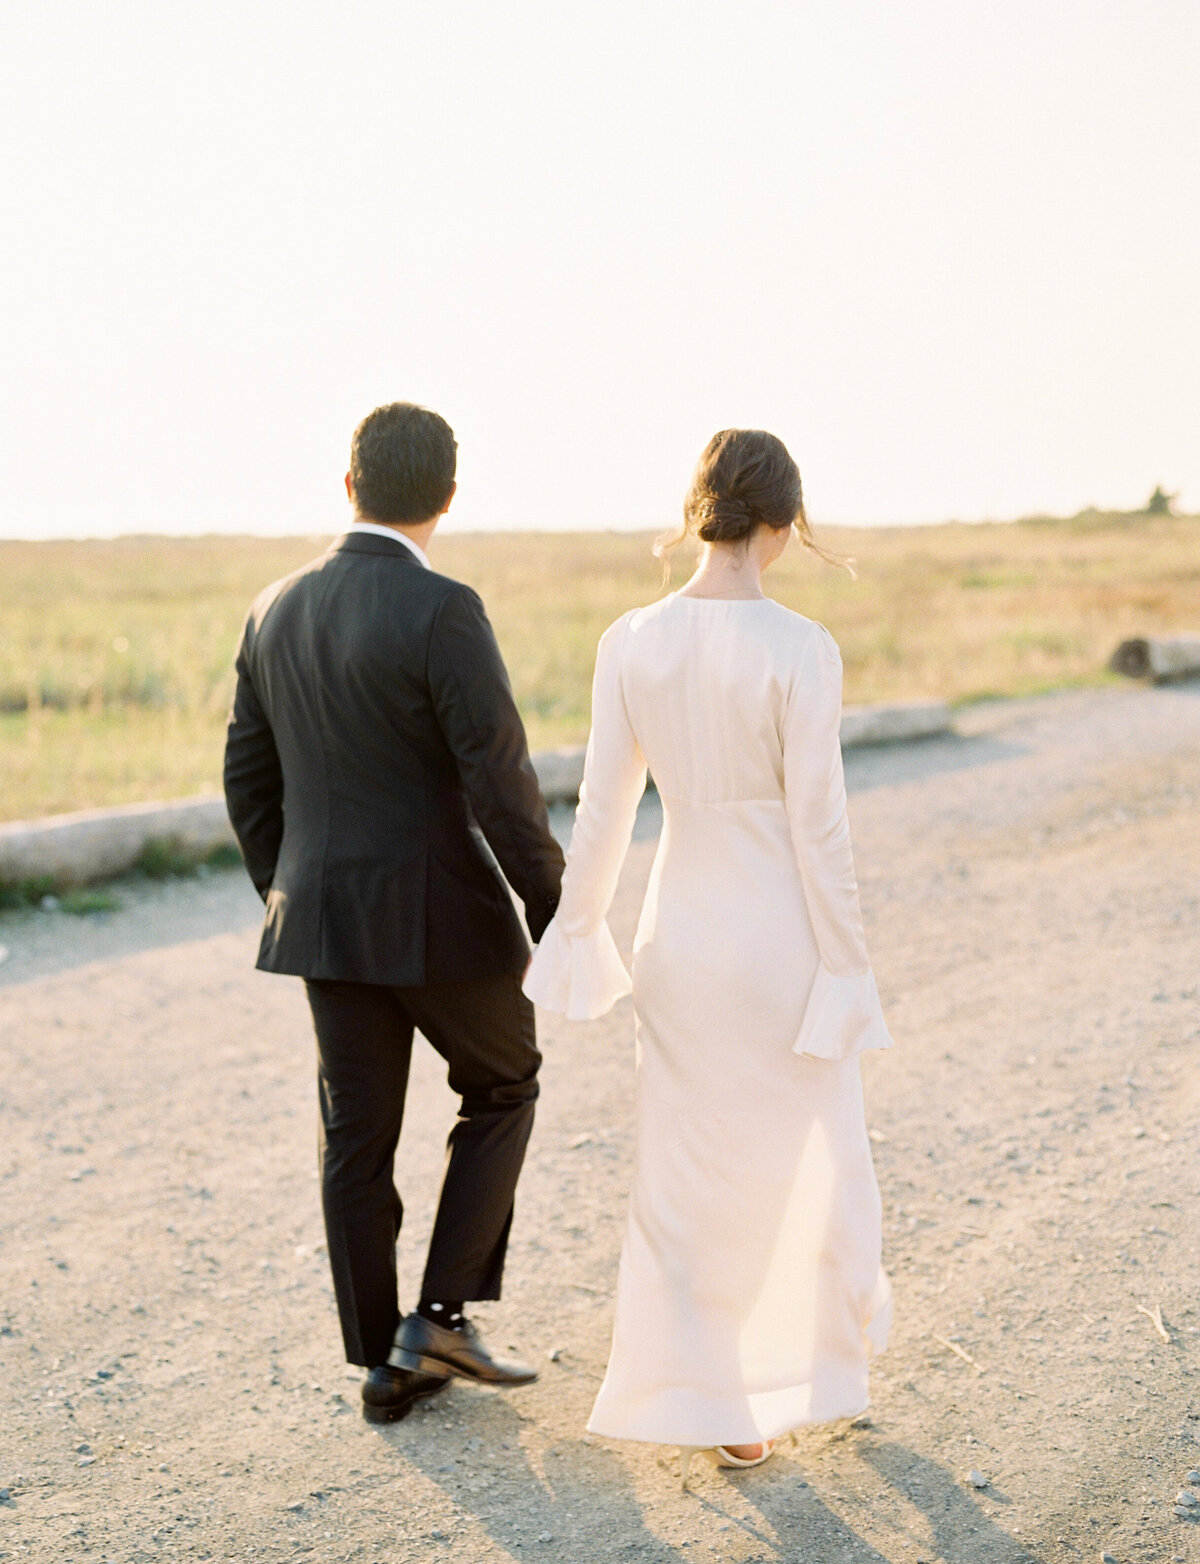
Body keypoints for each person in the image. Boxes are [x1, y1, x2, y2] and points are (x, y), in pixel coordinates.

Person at [523, 428, 892, 1487]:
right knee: (808, 1157)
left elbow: (602, 809)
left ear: (700, 510)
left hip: (678, 935)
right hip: (778, 937)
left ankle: (719, 1399)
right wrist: (850, 965)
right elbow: (821, 831)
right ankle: (800, 1370)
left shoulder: (629, 639)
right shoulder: (803, 648)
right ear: (783, 522)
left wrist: (578, 931)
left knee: (687, 1172)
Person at [224, 402, 564, 1423]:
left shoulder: (272, 605)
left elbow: (248, 784)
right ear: (448, 497)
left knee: (355, 1136)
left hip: (323, 919)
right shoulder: (444, 609)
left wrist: (298, 892)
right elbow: (501, 785)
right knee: (504, 1082)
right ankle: (439, 1317)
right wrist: (559, 916)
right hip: (445, 921)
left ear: (348, 485)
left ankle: (383, 1357)